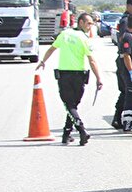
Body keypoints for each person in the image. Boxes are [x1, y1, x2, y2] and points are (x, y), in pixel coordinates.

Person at [36, 12, 104, 145]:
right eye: (88, 23)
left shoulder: (65, 34)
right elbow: (92, 60)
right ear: (81, 23)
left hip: (66, 75)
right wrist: (98, 78)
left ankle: (67, 133)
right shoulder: (83, 38)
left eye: (92, 23)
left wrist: (43, 60)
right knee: (71, 105)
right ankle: (80, 130)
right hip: (77, 75)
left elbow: (52, 49)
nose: (91, 26)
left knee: (70, 105)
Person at [112, 0, 132, 129]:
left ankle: (119, 118)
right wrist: (131, 71)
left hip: (127, 60)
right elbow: (125, 44)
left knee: (127, 92)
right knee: (128, 92)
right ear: (128, 6)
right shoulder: (126, 21)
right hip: (126, 60)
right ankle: (122, 119)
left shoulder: (129, 19)